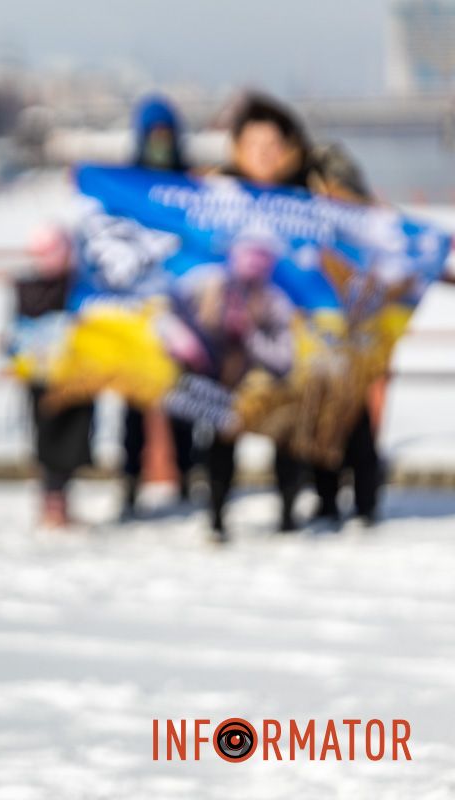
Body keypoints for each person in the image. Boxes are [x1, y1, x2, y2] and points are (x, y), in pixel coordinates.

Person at [201, 92, 312, 536]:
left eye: (273, 146)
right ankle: (216, 512)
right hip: (226, 334)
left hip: (283, 329)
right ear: (237, 148)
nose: (263, 155)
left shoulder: (306, 201)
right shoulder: (213, 197)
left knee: (286, 422)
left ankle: (288, 511)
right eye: (254, 145)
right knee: (221, 423)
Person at [167, 227, 298, 540]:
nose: (251, 265)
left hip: (264, 391)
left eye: (258, 257)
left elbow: (284, 358)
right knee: (218, 450)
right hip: (220, 388)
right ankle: (216, 517)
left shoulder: (275, 302)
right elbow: (166, 313)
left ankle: (288, 516)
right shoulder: (208, 289)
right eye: (245, 256)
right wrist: (186, 341)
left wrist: (250, 336)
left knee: (286, 445)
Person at [122, 94, 197, 515]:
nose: (160, 143)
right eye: (154, 136)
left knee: (184, 398)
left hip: (182, 309)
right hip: (136, 310)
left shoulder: (191, 185)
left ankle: (187, 478)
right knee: (134, 401)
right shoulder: (124, 184)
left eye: (166, 136)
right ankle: (131, 480)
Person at [306, 143, 384, 528]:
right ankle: (327, 500)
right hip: (319, 330)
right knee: (322, 417)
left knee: (356, 422)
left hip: (357, 330)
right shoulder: (302, 214)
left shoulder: (368, 216)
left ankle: (365, 502)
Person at [8, 225, 93, 527]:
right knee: (50, 441)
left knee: (71, 442)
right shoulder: (39, 286)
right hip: (45, 377)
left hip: (75, 377)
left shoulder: (79, 284)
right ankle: (52, 504)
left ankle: (59, 502)